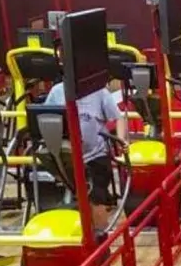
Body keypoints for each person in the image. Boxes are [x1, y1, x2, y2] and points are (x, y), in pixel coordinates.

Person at [43, 81, 128, 230]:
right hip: (66, 155)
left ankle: (101, 238)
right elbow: (43, 118)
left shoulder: (99, 91)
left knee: (96, 197)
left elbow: (118, 117)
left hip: (96, 155)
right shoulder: (57, 91)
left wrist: (121, 140)